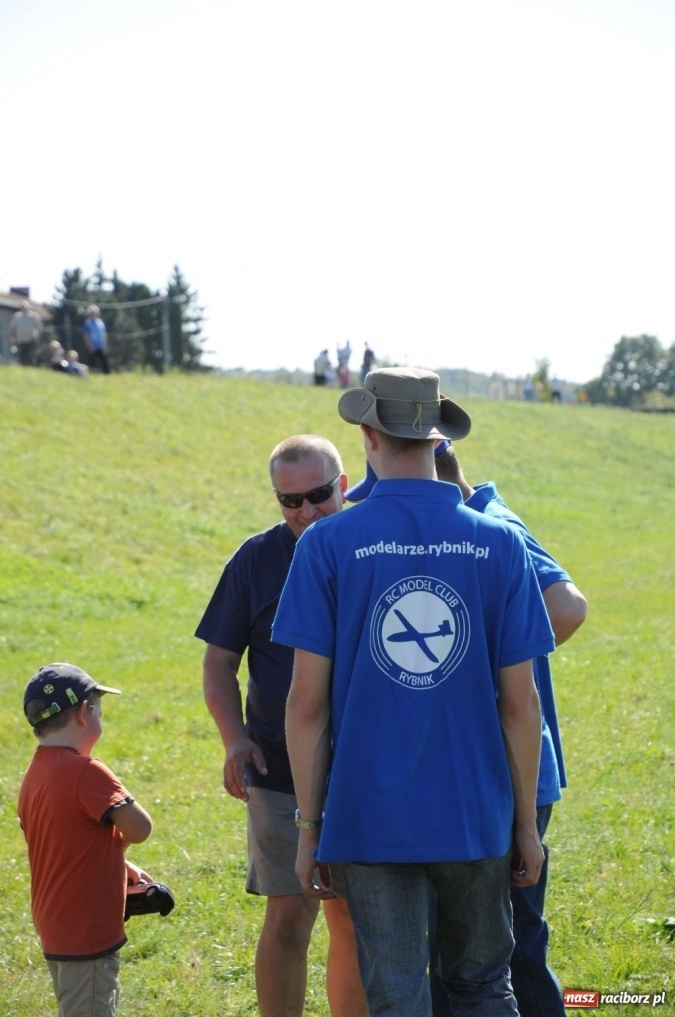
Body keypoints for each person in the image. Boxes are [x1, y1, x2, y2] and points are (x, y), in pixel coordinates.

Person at [275, 367, 555, 1017]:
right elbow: (522, 705)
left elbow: (306, 707)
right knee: (483, 987)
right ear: (434, 438)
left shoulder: (326, 544)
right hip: (476, 815)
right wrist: (524, 826)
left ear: (368, 435)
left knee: (396, 997)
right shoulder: (500, 544)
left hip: (369, 818)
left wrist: (309, 828)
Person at [346, 442, 587, 1017]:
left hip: (509, 768)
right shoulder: (466, 531)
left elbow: (568, 607)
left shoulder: (492, 525)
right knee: (468, 954)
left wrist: (480, 667)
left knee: (511, 950)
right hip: (483, 767)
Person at [195, 435, 367, 1017]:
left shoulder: (372, 546)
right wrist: (234, 739)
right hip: (278, 768)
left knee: (351, 918)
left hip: (362, 769)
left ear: (344, 486)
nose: (306, 511)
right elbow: (219, 662)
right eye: (289, 501)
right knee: (289, 915)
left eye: (318, 495)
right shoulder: (254, 560)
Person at [18, 662, 153, 1017]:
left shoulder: (34, 774)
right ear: (83, 713)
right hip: (85, 928)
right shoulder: (87, 772)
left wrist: (117, 862)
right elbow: (141, 828)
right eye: (99, 711)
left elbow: (64, 841)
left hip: (55, 921)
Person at [9, 299, 43, 366]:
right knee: (22, 357)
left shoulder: (34, 316)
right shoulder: (17, 316)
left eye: (25, 307)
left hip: (31, 340)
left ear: (29, 307)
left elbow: (39, 328)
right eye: (22, 307)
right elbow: (12, 328)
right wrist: (11, 337)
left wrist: (38, 336)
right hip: (20, 340)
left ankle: (30, 367)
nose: (24, 309)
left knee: (30, 356)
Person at [82, 304, 110, 374]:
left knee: (104, 361)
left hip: (100, 346)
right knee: (91, 362)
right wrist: (89, 345)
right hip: (92, 346)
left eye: (95, 312)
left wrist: (105, 344)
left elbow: (104, 333)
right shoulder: (88, 323)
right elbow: (86, 335)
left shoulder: (101, 322)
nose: (94, 314)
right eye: (92, 313)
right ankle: (89, 373)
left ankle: (107, 373)